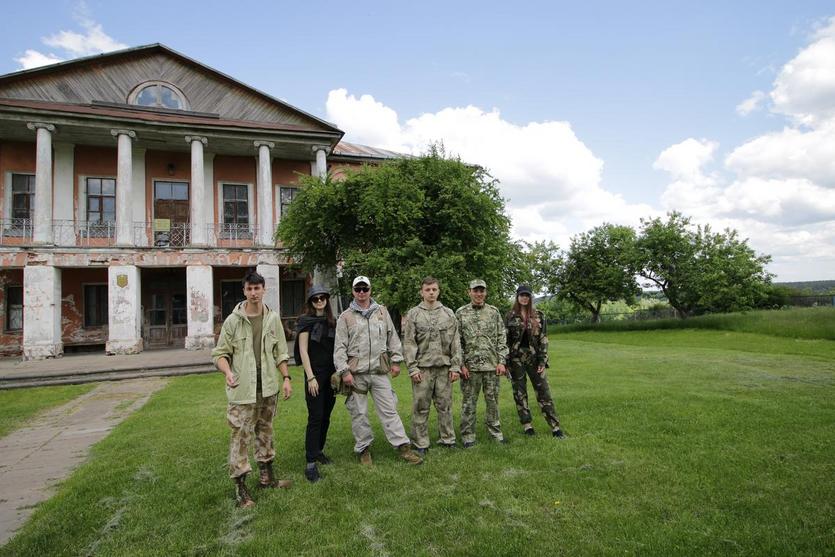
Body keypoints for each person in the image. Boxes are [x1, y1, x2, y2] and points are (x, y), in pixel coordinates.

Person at [212, 270, 292, 508]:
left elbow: (281, 352)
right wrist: (227, 372)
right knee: (240, 436)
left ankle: (267, 477)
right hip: (242, 390)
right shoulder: (233, 321)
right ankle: (240, 488)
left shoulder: (272, 318)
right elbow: (219, 354)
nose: (254, 293)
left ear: (263, 289)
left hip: (267, 388)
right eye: (249, 289)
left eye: (258, 288)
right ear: (244, 291)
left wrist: (286, 377)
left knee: (265, 430)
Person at [334, 276, 423, 465]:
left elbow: (393, 337)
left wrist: (397, 361)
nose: (361, 292)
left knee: (390, 410)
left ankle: (403, 448)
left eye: (364, 288)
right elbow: (339, 347)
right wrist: (344, 371)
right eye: (357, 289)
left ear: (370, 290)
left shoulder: (382, 312)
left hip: (379, 372)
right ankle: (364, 449)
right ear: (352, 291)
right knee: (359, 413)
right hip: (356, 374)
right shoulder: (345, 317)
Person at [402, 276, 462, 456]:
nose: (431, 293)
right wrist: (412, 368)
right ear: (421, 292)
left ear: (438, 291)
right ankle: (420, 442)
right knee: (421, 406)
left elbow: (455, 342)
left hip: (444, 368)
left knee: (445, 405)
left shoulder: (448, 313)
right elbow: (409, 343)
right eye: (427, 290)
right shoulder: (414, 314)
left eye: (434, 289)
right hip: (423, 369)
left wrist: (455, 366)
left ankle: (447, 438)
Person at [505, 284, 565, 438]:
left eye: (527, 295)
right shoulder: (510, 316)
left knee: (544, 392)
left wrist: (542, 361)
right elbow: (505, 341)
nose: (524, 298)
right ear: (517, 297)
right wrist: (506, 363)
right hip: (516, 360)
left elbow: (544, 339)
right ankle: (527, 425)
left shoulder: (539, 315)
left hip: (534, 359)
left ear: (530, 297)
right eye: (522, 295)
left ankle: (555, 427)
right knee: (520, 393)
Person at [456, 279, 509, 447]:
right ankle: (468, 435)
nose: (479, 294)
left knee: (493, 401)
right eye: (475, 290)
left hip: (492, 366)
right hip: (470, 368)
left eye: (482, 291)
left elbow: (502, 337)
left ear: (485, 293)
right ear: (469, 292)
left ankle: (495, 432)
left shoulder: (494, 312)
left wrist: (502, 361)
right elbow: (456, 342)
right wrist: (461, 364)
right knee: (468, 403)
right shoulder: (461, 313)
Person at [294, 285, 337, 483]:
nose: (319, 301)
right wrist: (310, 377)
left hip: (331, 375)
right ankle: (310, 462)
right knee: (316, 416)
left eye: (322, 298)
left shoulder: (332, 321)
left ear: (327, 300)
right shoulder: (305, 321)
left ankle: (319, 450)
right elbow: (303, 351)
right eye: (315, 299)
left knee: (326, 415)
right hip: (315, 375)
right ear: (310, 302)